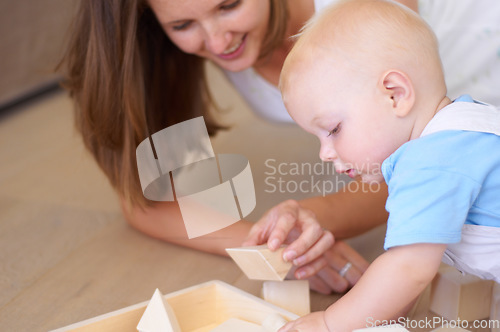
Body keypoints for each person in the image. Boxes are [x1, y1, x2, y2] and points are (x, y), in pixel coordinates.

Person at [57, 0, 500, 294]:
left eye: (229, 4)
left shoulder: (366, 21)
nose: (216, 42)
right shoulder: (201, 44)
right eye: (183, 25)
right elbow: (145, 196)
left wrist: (314, 219)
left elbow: (416, 175)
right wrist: (273, 248)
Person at [278, 0, 500, 330]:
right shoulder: (467, 123)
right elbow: (412, 266)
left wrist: (328, 323)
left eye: (334, 130)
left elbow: (407, 268)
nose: (325, 153)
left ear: (395, 94)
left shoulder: (428, 162)